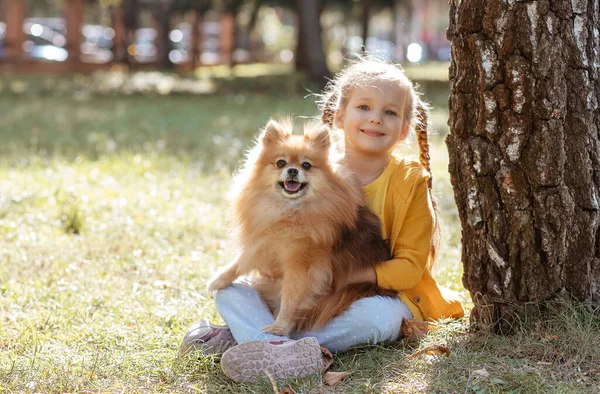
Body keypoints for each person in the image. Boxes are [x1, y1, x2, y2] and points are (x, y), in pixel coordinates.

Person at [179, 58, 464, 383]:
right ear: (339, 116)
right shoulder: (315, 164)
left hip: (367, 295)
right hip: (294, 293)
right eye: (365, 107)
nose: (375, 118)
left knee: (380, 319)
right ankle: (277, 348)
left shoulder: (411, 181)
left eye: (390, 112)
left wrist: (345, 276)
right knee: (230, 291)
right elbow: (278, 254)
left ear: (403, 129)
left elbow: (411, 268)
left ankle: (256, 343)